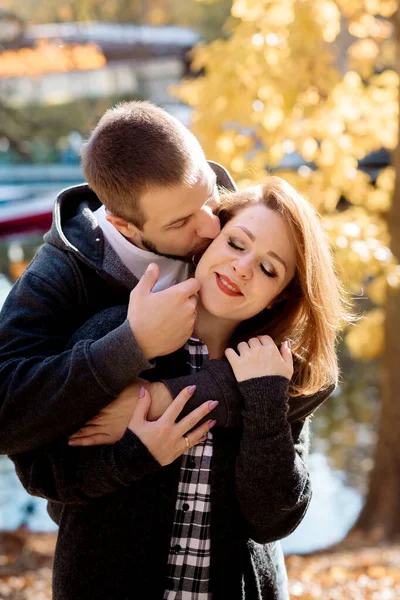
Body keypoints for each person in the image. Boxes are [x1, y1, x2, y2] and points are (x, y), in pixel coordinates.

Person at [12, 177, 351, 599]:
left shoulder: (275, 372)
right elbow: (46, 475)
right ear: (208, 240)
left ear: (278, 298)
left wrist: (264, 403)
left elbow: (272, 520)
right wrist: (136, 454)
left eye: (268, 269)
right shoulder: (117, 330)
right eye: (236, 244)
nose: (242, 268)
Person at [0, 101, 330, 458]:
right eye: (180, 223)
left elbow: (310, 376)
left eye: (209, 194)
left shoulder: (238, 224)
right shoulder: (61, 274)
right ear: (123, 225)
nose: (211, 227)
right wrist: (132, 345)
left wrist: (167, 397)